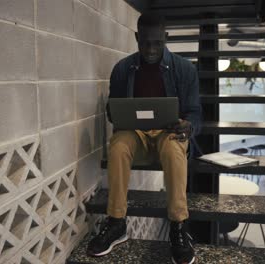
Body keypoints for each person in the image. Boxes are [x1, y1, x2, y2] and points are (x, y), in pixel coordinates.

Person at [86, 12, 202, 264]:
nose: (150, 49)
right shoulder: (122, 69)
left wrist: (188, 126)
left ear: (166, 38)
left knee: (173, 149)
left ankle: (178, 226)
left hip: (169, 133)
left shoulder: (185, 69)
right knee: (117, 147)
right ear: (137, 37)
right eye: (145, 42)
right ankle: (117, 222)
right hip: (135, 135)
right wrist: (115, 111)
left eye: (157, 43)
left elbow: (195, 112)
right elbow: (112, 110)